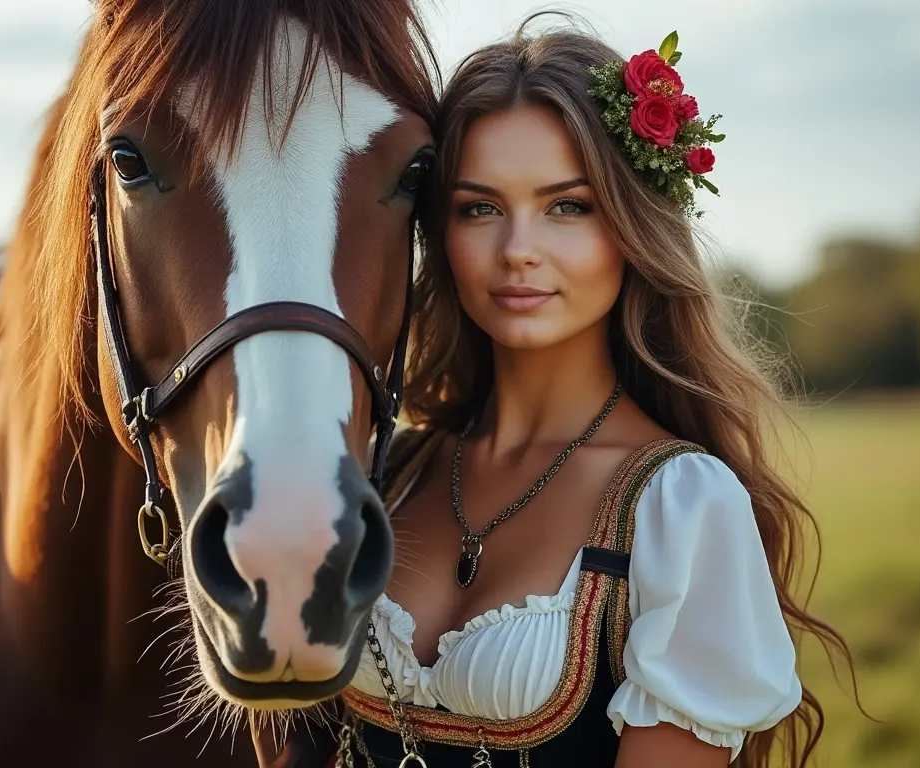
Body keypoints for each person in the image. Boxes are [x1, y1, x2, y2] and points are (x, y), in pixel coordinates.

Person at [332, 15, 853, 768]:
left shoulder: (681, 509)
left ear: (631, 228)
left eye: (567, 206)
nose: (518, 251)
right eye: (480, 208)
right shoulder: (390, 473)